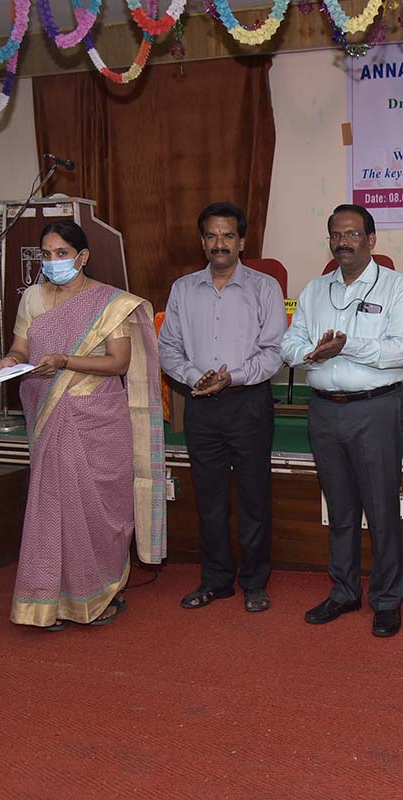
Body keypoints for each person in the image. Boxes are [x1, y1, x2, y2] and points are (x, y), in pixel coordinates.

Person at [0, 220, 166, 630]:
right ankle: (49, 601)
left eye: (62, 254)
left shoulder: (109, 303)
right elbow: (21, 347)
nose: (53, 262)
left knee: (101, 507)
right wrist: (9, 361)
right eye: (46, 255)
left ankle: (99, 592)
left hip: (96, 415)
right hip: (48, 409)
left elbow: (118, 362)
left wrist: (65, 361)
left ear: (82, 257)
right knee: (54, 505)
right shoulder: (32, 297)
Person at [281, 204, 403, 637]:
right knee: (339, 509)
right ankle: (343, 591)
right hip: (324, 409)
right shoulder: (314, 289)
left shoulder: (397, 287)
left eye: (353, 234)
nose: (343, 242)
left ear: (371, 239)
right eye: (336, 235)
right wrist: (311, 354)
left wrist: (348, 346)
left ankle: (387, 599)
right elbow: (289, 343)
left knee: (381, 510)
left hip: (374, 409)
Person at [159, 202, 285, 613]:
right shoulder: (183, 289)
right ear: (202, 242)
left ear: (242, 241)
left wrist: (235, 377)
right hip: (201, 406)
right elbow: (168, 348)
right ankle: (215, 580)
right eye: (211, 236)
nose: (219, 244)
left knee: (253, 496)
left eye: (228, 236)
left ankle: (254, 582)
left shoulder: (265, 287)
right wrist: (195, 376)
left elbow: (274, 352)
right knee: (208, 497)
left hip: (248, 403)